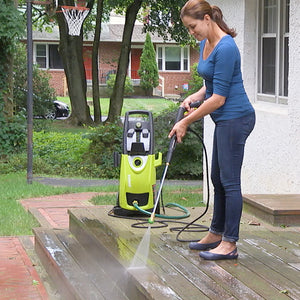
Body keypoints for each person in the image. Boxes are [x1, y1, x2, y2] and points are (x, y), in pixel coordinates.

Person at [169, 0, 255, 260]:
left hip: (236, 118)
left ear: (207, 18)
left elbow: (220, 98)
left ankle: (230, 244)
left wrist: (185, 121)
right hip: (224, 120)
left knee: (229, 182)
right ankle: (216, 233)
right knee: (217, 179)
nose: (192, 32)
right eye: (188, 28)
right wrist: (195, 96)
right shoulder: (205, 43)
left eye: (193, 26)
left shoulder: (226, 47)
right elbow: (212, 85)